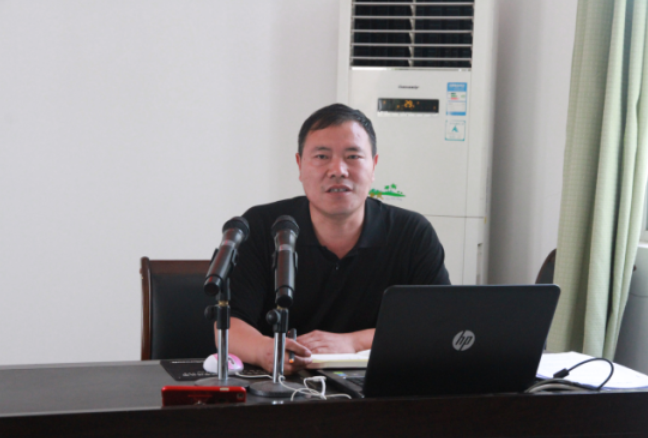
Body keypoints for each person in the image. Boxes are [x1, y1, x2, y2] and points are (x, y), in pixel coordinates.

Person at [226, 103, 450, 373]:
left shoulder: (411, 233)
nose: (338, 170)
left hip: (377, 384)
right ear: (299, 165)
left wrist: (354, 342)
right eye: (322, 156)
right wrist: (266, 351)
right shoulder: (262, 226)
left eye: (353, 156)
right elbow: (229, 325)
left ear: (374, 165)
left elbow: (438, 325)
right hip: (279, 383)